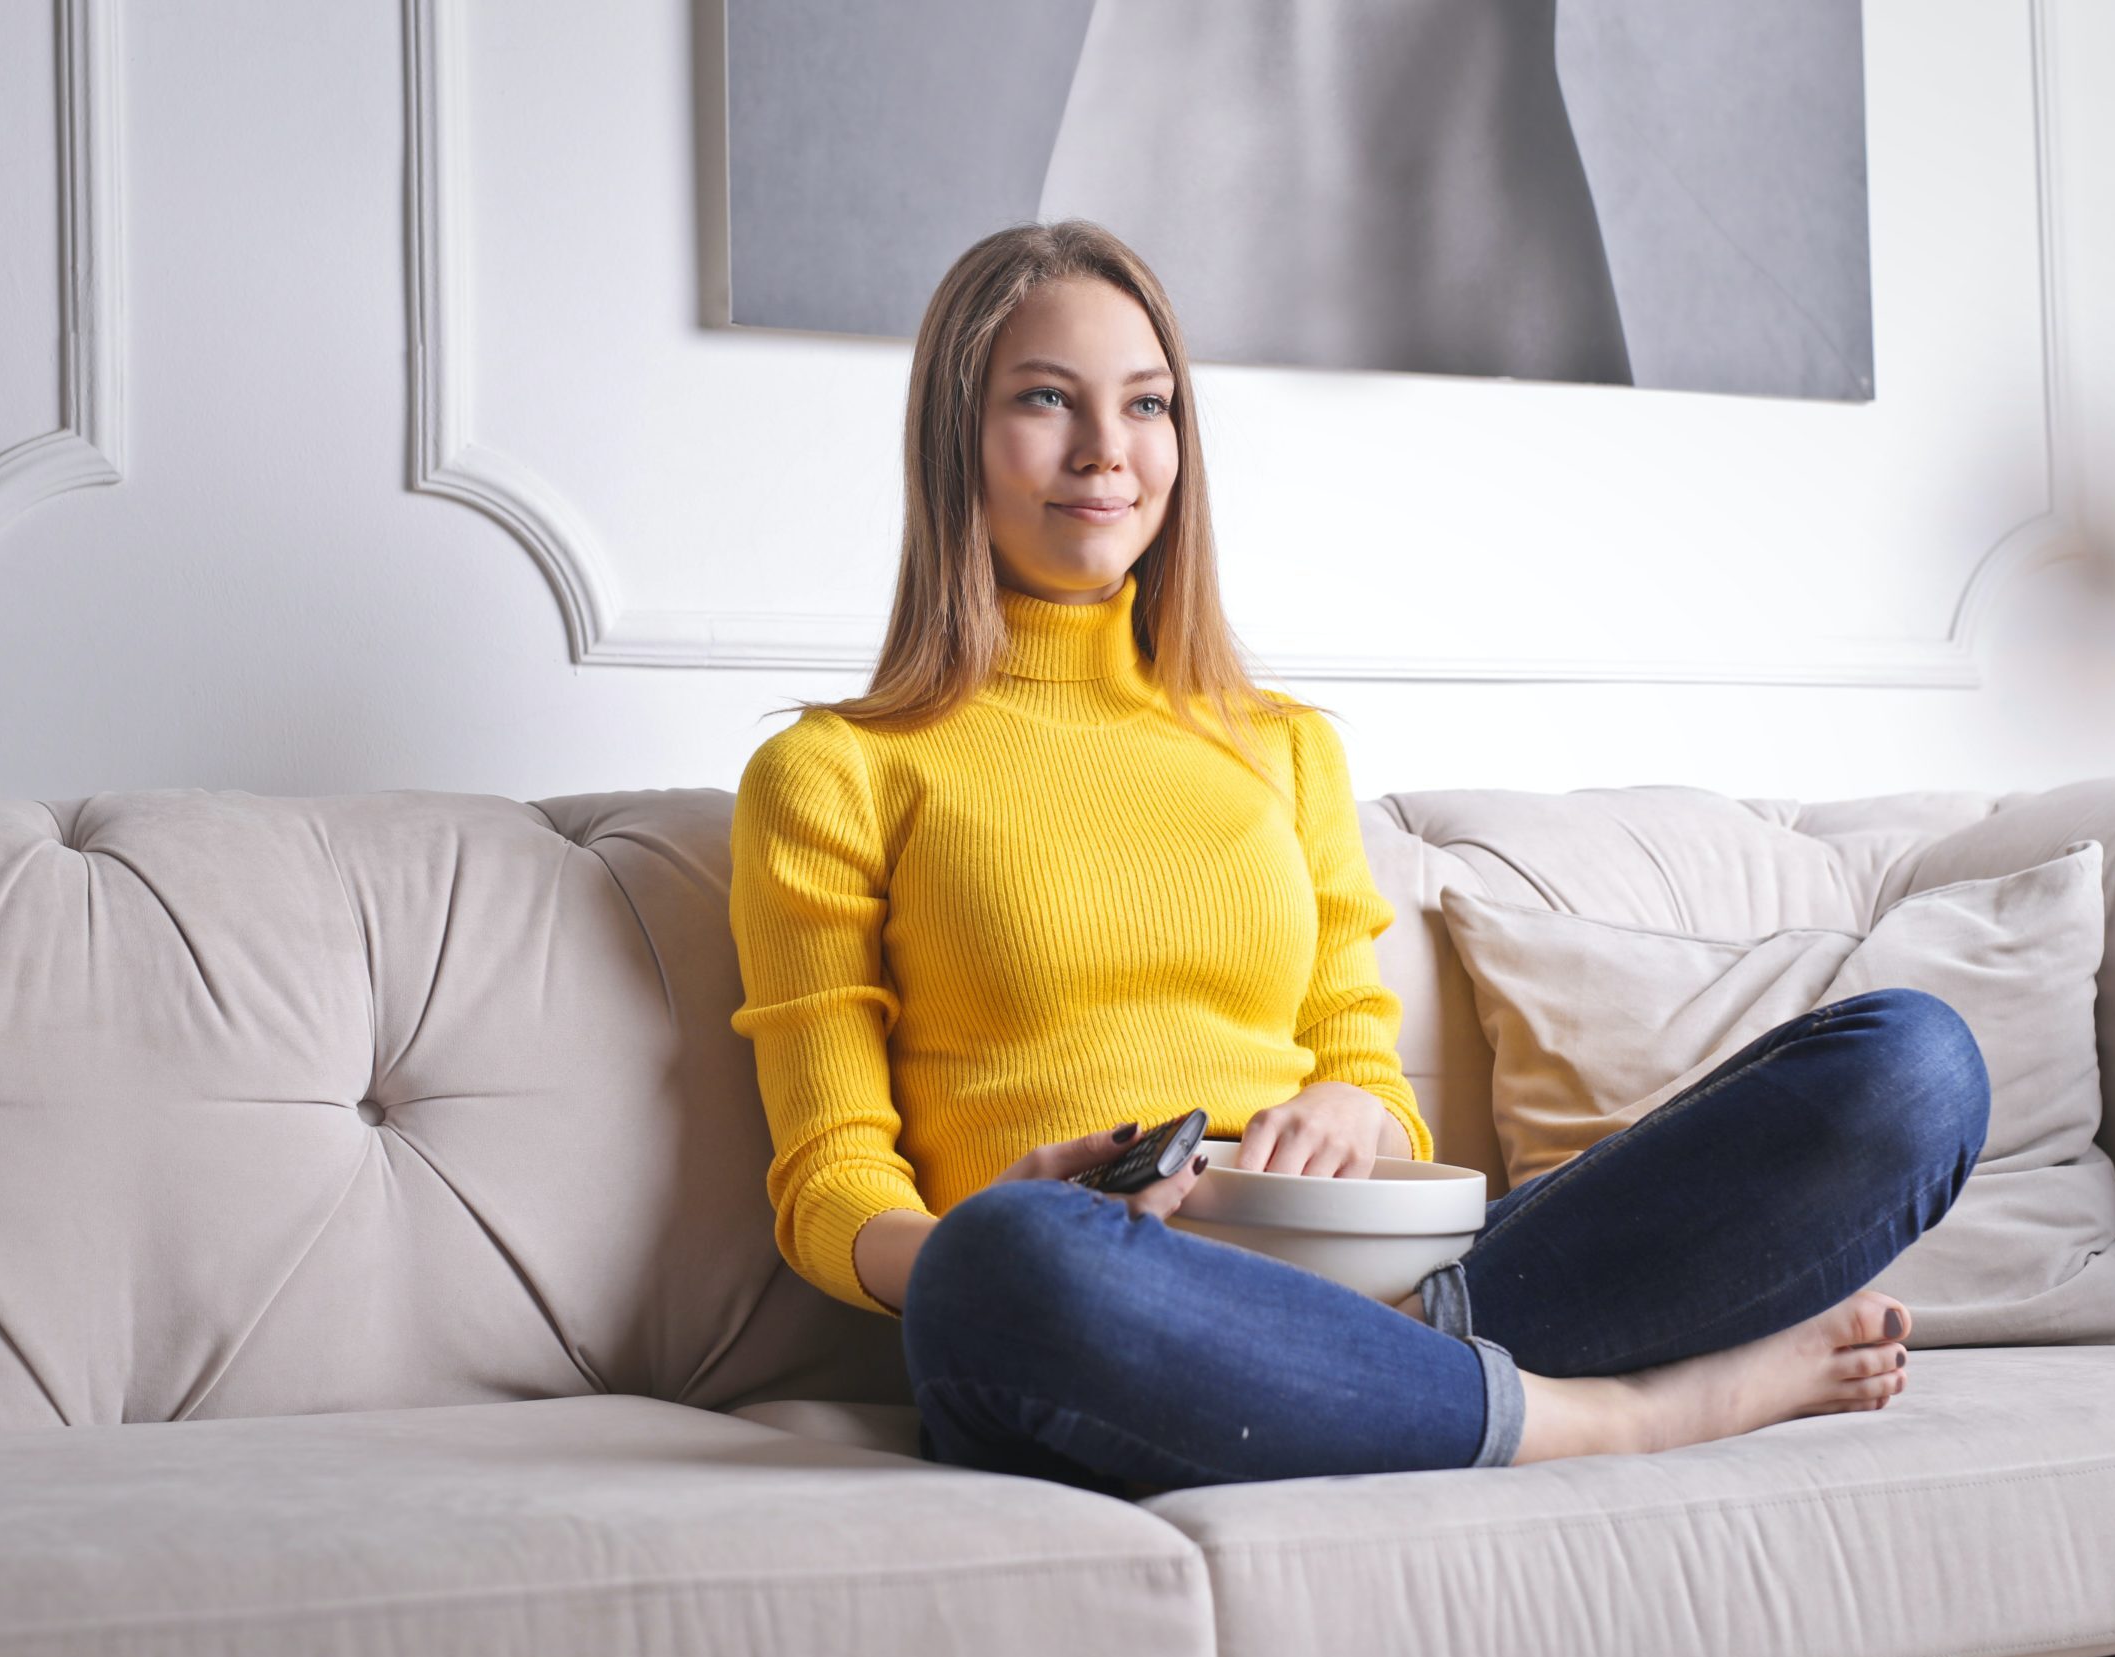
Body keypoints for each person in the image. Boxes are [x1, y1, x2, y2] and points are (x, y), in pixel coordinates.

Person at [727, 219, 1989, 1499]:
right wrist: (972, 1233)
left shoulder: (1282, 748)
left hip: (1380, 1287)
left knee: (1912, 1064)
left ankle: (1398, 1380)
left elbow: (1370, 1081)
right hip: (1090, 1313)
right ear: (957, 438)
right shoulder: (834, 771)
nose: (1107, 450)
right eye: (1045, 399)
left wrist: (1352, 1112)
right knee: (1006, 1263)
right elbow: (831, 1177)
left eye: (1148, 404)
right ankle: (1618, 1418)